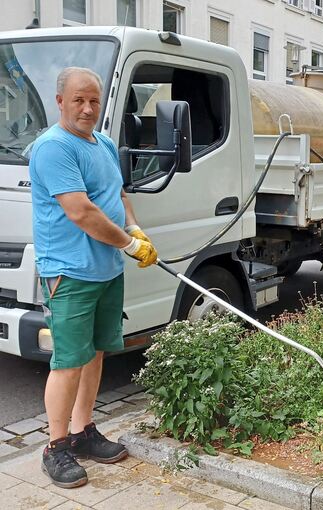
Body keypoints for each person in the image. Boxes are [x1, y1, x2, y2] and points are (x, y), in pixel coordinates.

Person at [29, 67, 158, 489]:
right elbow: (81, 211)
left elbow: (117, 195)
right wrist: (129, 245)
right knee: (67, 362)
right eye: (79, 100)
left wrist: (135, 229)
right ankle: (56, 446)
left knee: (97, 353)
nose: (87, 108)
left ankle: (84, 431)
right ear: (60, 101)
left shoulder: (102, 143)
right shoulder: (53, 148)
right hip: (70, 273)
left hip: (106, 271)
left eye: (94, 101)